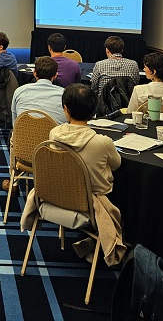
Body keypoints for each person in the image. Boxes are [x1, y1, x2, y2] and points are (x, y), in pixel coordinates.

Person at [44, 83, 124, 266]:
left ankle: (91, 241)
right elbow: (117, 164)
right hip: (91, 204)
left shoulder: (54, 133)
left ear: (66, 109)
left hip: (56, 195)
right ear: (94, 110)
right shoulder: (102, 142)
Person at [2, 56, 67, 193]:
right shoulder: (65, 95)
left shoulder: (20, 91)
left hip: (23, 153)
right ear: (55, 75)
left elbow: (16, 123)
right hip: (53, 155)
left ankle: (14, 182)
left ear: (35, 73)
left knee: (13, 135)